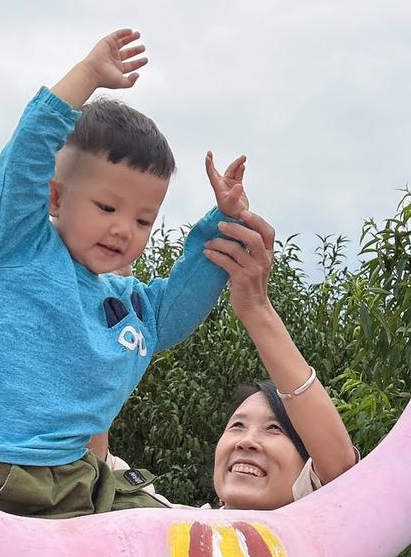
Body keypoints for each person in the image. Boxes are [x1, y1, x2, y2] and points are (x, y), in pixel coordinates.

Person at [0, 27, 246, 520]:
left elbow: (183, 300)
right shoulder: (26, 251)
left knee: (165, 525)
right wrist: (86, 76)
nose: (123, 229)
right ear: (56, 198)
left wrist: (223, 223)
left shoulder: (134, 308)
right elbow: (25, 159)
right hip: (0, 466)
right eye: (106, 207)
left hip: (75, 473)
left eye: (143, 220)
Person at [104, 207, 359, 510]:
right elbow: (86, 457)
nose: (246, 441)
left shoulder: (319, 525)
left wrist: (256, 307)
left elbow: (341, 470)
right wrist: (97, 315)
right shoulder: (159, 522)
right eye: (237, 425)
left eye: (274, 428)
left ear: (308, 469)